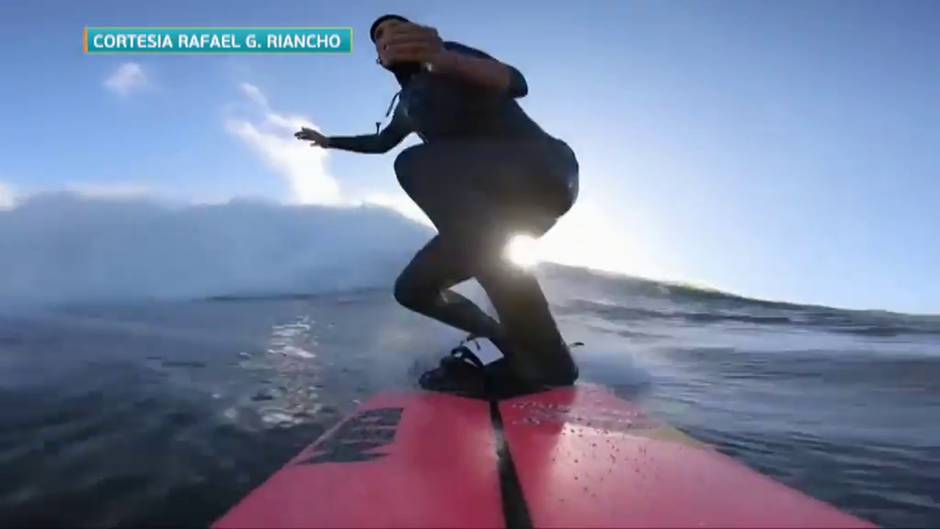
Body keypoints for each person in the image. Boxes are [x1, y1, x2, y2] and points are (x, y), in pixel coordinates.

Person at [295, 14, 580, 396]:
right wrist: (329, 141)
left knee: (416, 164)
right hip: (497, 209)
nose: (388, 36)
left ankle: (541, 357)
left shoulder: (447, 58)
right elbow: (380, 144)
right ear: (380, 58)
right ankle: (519, 346)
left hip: (541, 169)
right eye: (379, 36)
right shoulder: (406, 106)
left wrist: (447, 60)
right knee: (414, 289)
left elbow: (515, 81)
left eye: (397, 27)